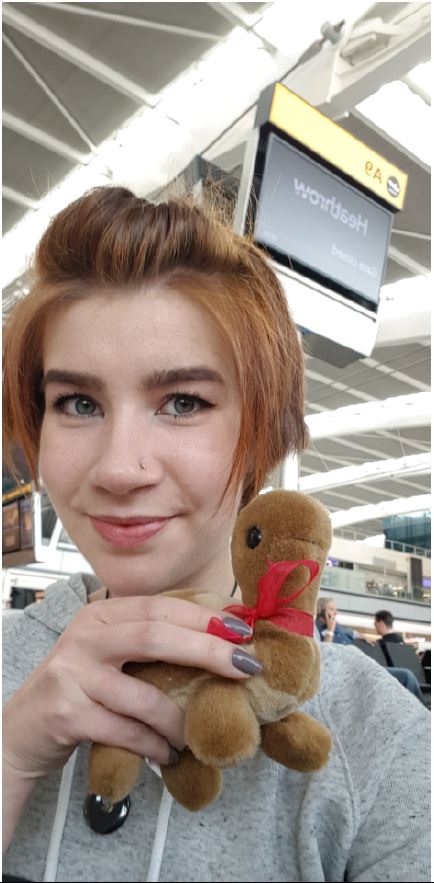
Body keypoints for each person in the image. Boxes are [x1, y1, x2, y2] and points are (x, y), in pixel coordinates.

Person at [3, 187, 430, 883]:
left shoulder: (375, 739)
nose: (118, 468)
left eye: (182, 402)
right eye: (77, 402)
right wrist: (11, 760)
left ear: (262, 431)